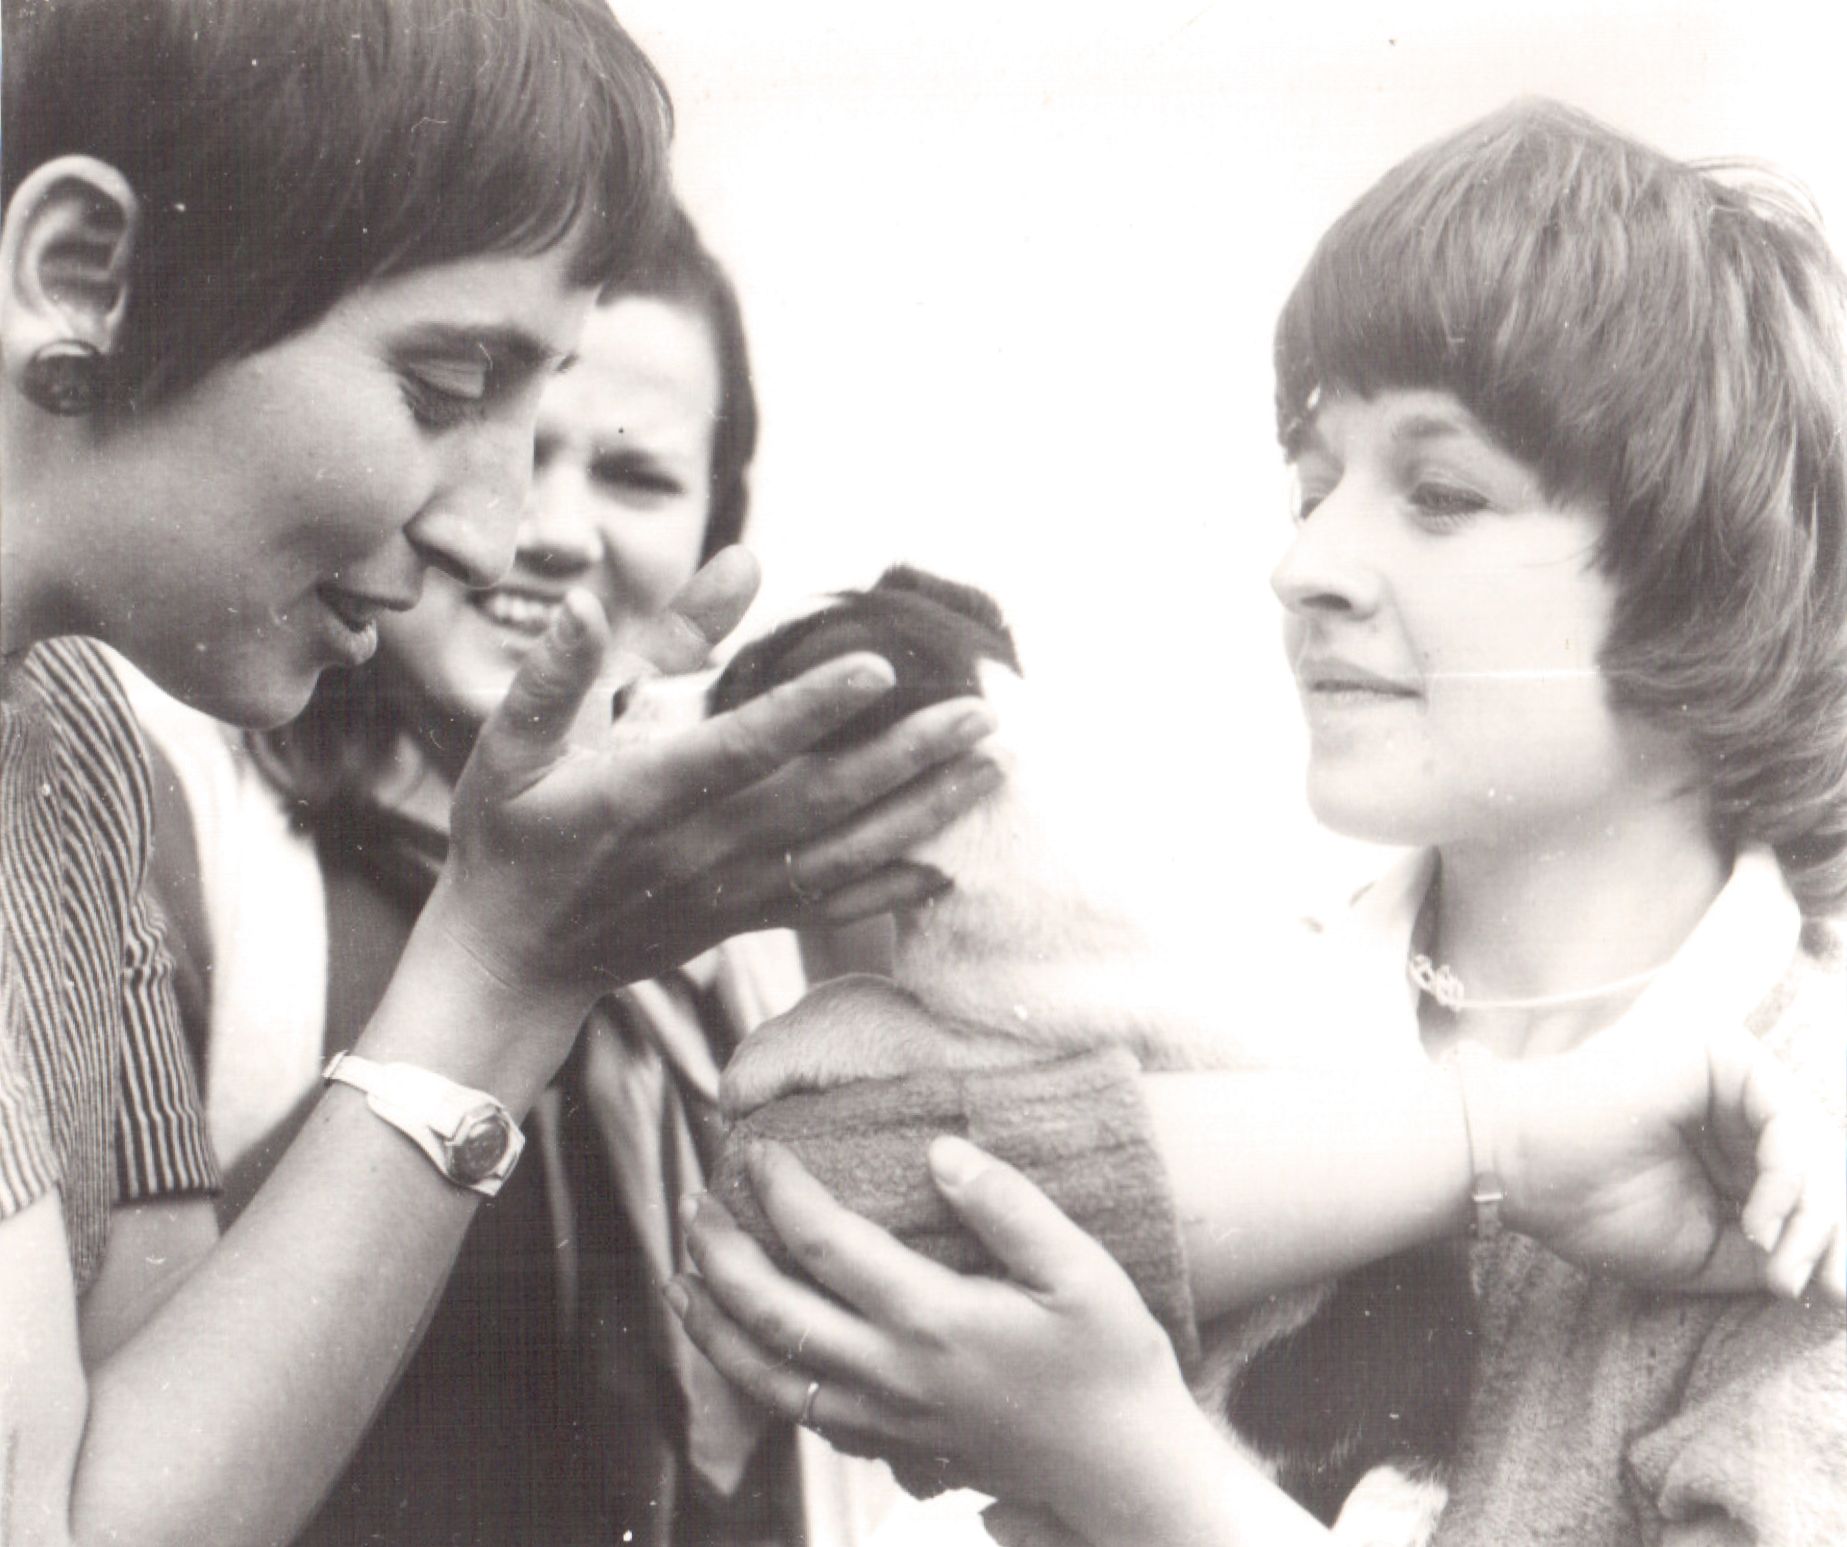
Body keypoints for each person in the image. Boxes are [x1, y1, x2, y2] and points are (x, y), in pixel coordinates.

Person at [668, 101, 1847, 1546]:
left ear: (1709, 581)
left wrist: (1145, 1478)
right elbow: (798, 1216)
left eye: (1441, 492)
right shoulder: (1265, 977)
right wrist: (1488, 1142)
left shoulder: (1814, 1136)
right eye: (1311, 489)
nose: (1306, 564)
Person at [0, 4, 993, 1544]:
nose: (496, 530)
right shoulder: (175, 813)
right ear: (82, 275)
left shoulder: (73, 758)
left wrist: (512, 960)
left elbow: (110, 1506)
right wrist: (498, 971)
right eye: (445, 388)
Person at [124, 206, 912, 1546]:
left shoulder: (737, 931)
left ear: (716, 524)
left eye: (638, 477)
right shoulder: (181, 829)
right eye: (507, 442)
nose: (549, 531)